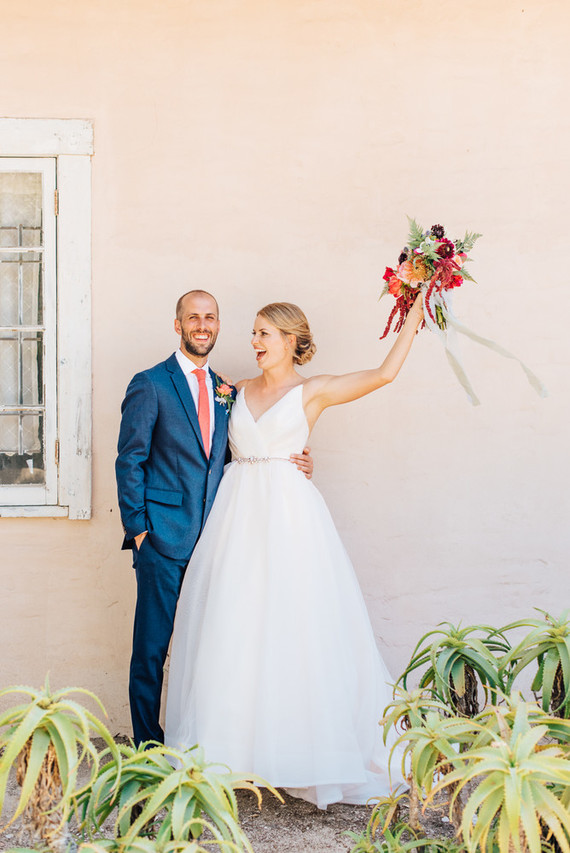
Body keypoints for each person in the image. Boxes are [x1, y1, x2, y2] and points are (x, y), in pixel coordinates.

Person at [164, 294, 425, 808]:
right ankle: (234, 749)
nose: (254, 342)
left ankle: (300, 749)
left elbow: (384, 373)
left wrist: (417, 309)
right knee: (235, 625)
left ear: (289, 340)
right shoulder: (231, 391)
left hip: (290, 519)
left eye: (264, 334)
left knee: (296, 625)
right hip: (237, 518)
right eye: (254, 334)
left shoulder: (314, 392)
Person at [115, 290, 313, 746]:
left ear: (218, 325)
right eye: (193, 317)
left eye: (211, 318)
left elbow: (246, 447)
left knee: (211, 647)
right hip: (162, 540)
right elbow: (130, 460)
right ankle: (148, 748)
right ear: (178, 324)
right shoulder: (151, 383)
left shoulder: (228, 390)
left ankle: (201, 741)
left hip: (218, 539)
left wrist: (299, 459)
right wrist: (140, 531)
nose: (202, 325)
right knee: (152, 650)